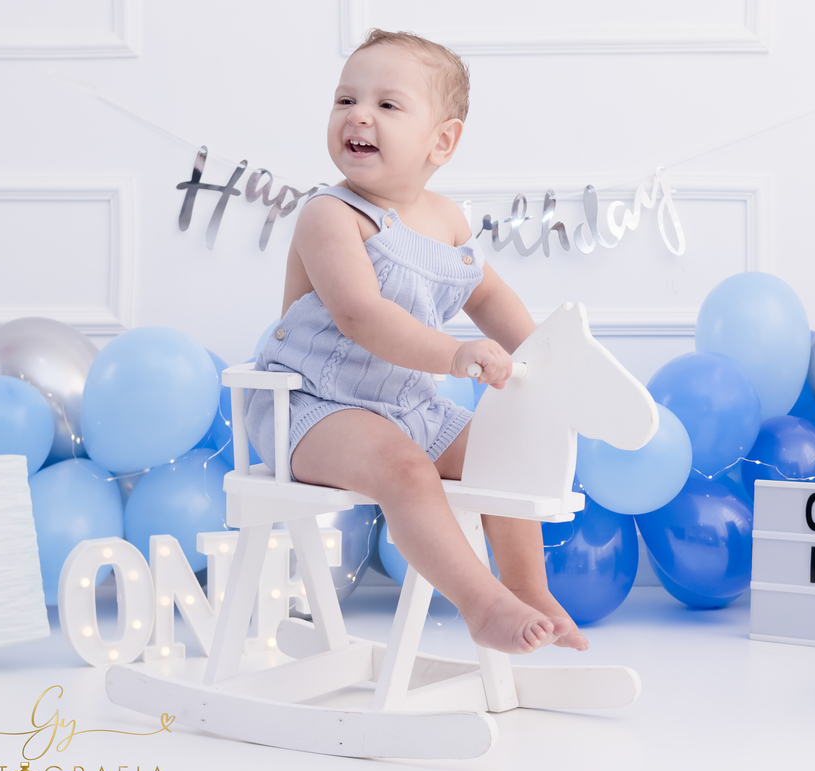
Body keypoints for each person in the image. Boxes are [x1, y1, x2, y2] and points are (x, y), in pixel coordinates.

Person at [245, 29, 587, 654]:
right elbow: (360, 316)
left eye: (387, 104)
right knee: (404, 471)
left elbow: (488, 297)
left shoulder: (448, 219)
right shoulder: (330, 214)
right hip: (311, 406)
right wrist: (454, 354)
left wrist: (546, 358)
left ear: (443, 140)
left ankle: (529, 587)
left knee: (503, 448)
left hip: (406, 405)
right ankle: (481, 604)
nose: (359, 116)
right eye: (346, 100)